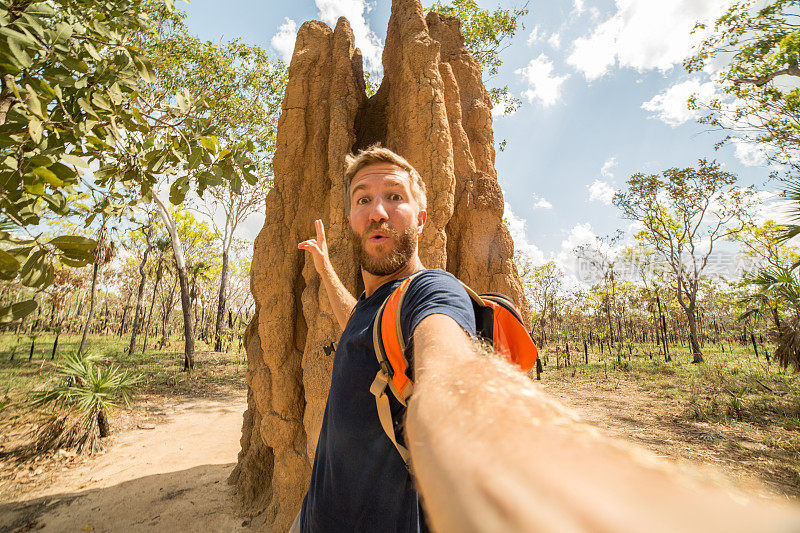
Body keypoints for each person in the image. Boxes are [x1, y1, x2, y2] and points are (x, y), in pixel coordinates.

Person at [294, 145, 476, 532]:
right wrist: (325, 269)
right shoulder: (374, 306)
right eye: (364, 199)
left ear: (422, 218)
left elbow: (447, 363)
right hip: (314, 515)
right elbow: (357, 328)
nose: (378, 211)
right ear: (351, 220)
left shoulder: (431, 291)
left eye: (395, 197)